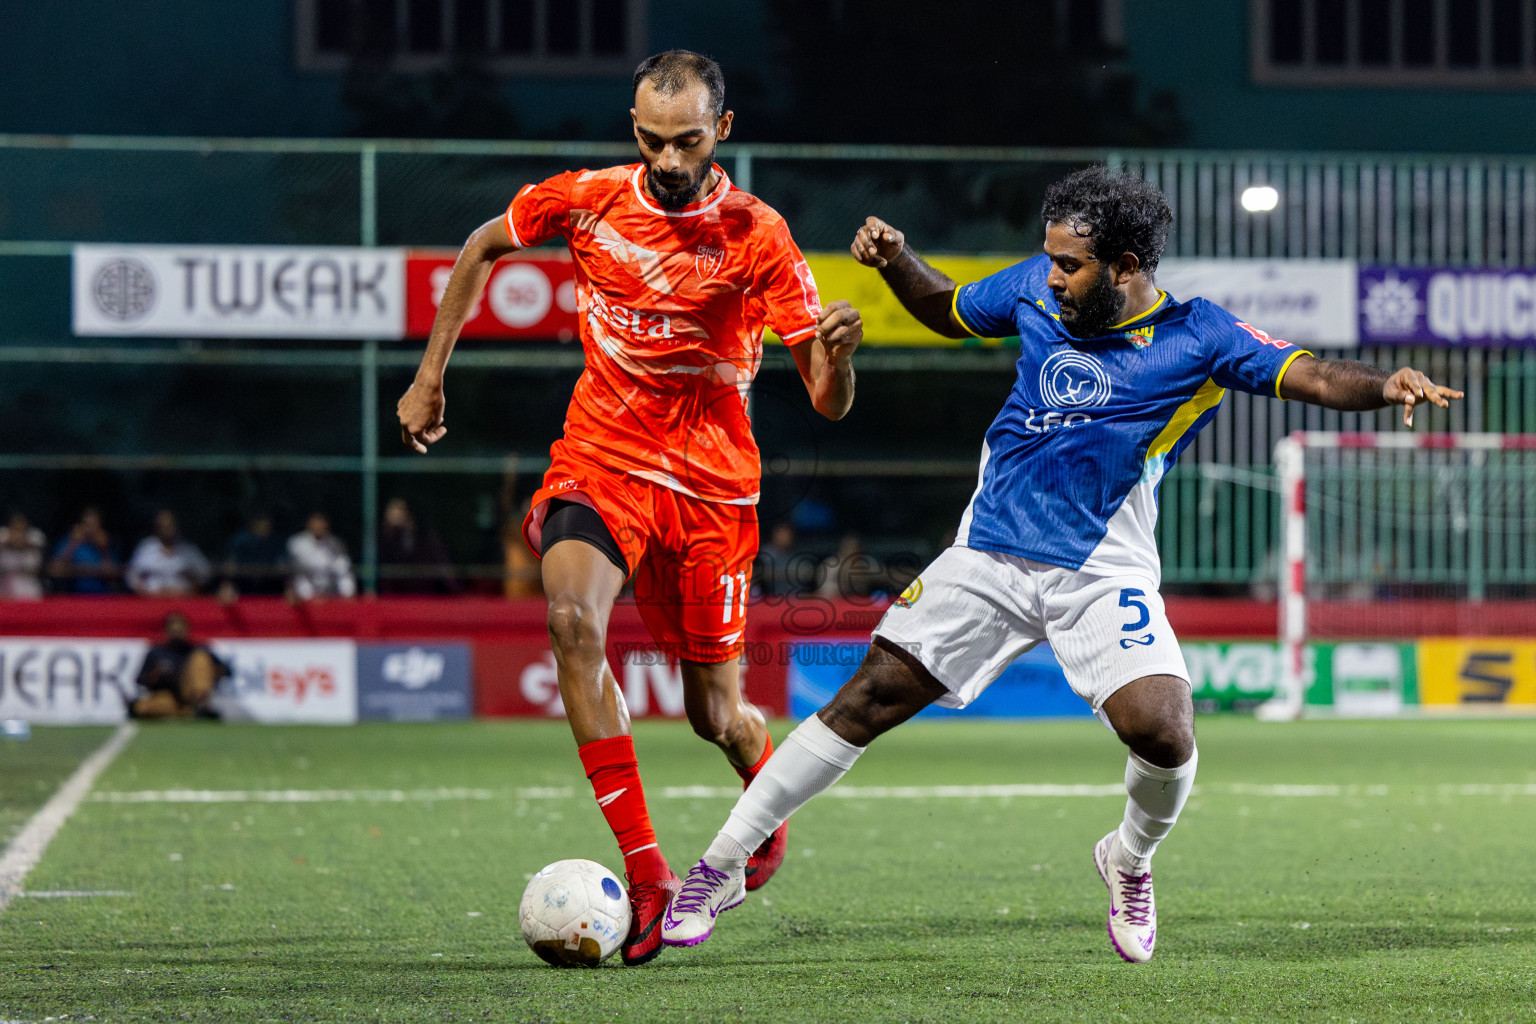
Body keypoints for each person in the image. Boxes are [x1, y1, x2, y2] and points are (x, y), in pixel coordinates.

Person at [660, 165, 1463, 962]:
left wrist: (1383, 385)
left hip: (1101, 568)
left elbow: (1310, 373)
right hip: (988, 553)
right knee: (866, 697)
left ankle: (1128, 860)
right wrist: (899, 260)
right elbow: (947, 310)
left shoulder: (1199, 335)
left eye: (1070, 265)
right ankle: (720, 866)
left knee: (1165, 732)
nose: (1051, 277)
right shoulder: (1034, 290)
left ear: (1125, 267)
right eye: (1049, 260)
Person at [396, 50, 862, 967]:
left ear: (722, 130)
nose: (668, 160)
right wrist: (428, 376)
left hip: (713, 490)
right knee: (571, 620)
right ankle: (648, 875)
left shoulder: (758, 235)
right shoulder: (588, 199)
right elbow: (483, 245)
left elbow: (826, 400)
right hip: (602, 460)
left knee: (714, 714)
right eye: (652, 140)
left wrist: (840, 358)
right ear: (635, 129)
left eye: (687, 141)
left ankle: (763, 796)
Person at [129, 611, 229, 719]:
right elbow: (140, 680)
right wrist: (155, 675)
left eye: (180, 628)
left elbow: (226, 671)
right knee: (142, 707)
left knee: (200, 659)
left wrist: (209, 672)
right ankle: (189, 712)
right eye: (173, 628)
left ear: (187, 629)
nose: (177, 631)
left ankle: (200, 706)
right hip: (168, 695)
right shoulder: (156, 652)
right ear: (166, 630)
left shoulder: (198, 649)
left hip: (191, 692)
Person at [377, 497, 458, 594]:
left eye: (399, 510)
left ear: (409, 513)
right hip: (394, 595)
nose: (395, 515)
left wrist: (455, 591)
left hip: (425, 593)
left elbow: (442, 565)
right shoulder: (386, 538)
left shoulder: (427, 538)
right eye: (391, 511)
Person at [126, 510, 211, 596]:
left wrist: (193, 589)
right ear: (156, 528)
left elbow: (205, 574)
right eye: (163, 526)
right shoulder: (146, 549)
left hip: (182, 599)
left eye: (170, 525)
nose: (167, 530)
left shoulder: (189, 550)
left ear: (176, 527)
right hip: (152, 599)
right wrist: (143, 591)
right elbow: (131, 575)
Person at [287, 511, 357, 600]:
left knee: (346, 577)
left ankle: (347, 603)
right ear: (309, 524)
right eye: (316, 523)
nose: (319, 526)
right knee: (301, 579)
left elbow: (342, 567)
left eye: (322, 523)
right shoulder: (297, 543)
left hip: (329, 588)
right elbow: (298, 568)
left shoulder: (335, 543)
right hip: (307, 588)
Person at [49, 507, 119, 593]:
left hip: (102, 596)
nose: (90, 530)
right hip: (74, 596)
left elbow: (114, 580)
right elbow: (55, 571)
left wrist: (103, 549)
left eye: (94, 525)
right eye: (87, 525)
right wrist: (73, 544)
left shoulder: (106, 545)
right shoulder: (69, 542)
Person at [219, 512, 287, 598]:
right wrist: (227, 584)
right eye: (260, 524)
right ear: (253, 525)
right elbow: (230, 564)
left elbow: (284, 566)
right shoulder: (240, 541)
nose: (263, 528)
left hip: (270, 585)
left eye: (266, 525)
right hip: (243, 584)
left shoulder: (276, 543)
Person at [0, 512, 46, 599]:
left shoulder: (35, 536)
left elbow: (38, 544)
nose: (19, 531)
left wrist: (21, 542)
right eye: (16, 527)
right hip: (5, 579)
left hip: (27, 579)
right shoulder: (3, 534)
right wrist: (10, 541)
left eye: (22, 527)